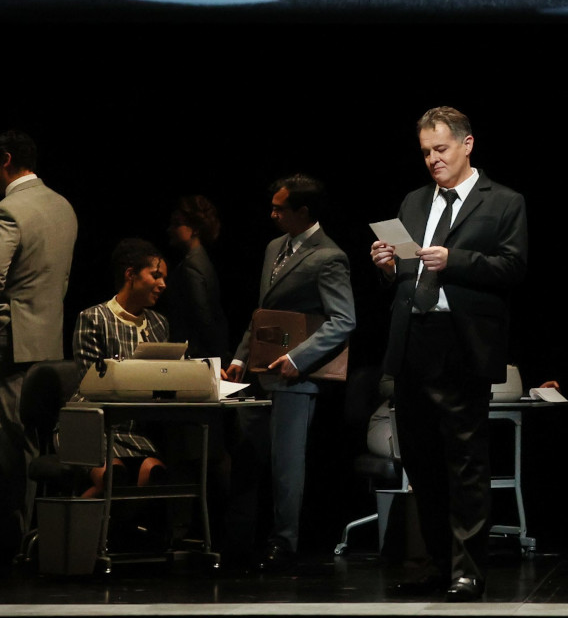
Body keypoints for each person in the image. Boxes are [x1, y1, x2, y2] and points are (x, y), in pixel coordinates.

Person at [370, 107, 528, 602]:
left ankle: (469, 570)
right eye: (425, 152)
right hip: (412, 340)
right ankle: (438, 565)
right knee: (422, 461)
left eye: (440, 150)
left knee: (464, 462)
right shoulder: (415, 201)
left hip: (460, 344)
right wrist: (386, 264)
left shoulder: (503, 201)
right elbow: (403, 279)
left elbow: (512, 267)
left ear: (467, 145)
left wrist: (453, 260)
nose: (433, 160)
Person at [0, 130, 78, 552]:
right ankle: (43, 533)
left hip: (5, 339)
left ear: (6, 160)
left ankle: (17, 540)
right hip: (46, 339)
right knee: (38, 438)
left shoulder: (7, 210)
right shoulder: (63, 206)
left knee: (8, 443)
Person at [222, 174, 354, 570]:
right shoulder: (273, 248)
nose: (273, 214)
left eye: (281, 208)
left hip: (296, 378)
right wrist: (241, 356)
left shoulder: (329, 256)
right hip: (259, 372)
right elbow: (263, 311)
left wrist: (299, 358)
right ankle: (240, 542)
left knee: (286, 464)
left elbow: (344, 319)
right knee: (247, 458)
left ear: (304, 211)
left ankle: (285, 543)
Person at [71, 239, 171, 498]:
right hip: (93, 423)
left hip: (133, 428)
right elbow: (90, 381)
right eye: (156, 275)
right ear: (130, 275)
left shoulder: (159, 324)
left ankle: (117, 535)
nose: (163, 285)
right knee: (116, 478)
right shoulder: (93, 318)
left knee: (156, 477)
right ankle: (79, 535)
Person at [164, 195, 229, 361]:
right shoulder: (201, 259)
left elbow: (203, 315)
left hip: (196, 353)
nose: (170, 229)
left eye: (177, 224)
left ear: (195, 229)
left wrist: (215, 356)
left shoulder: (191, 265)